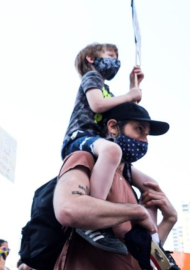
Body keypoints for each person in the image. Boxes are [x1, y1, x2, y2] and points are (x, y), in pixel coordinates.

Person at [61, 42, 161, 254]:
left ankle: (153, 243)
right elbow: (98, 105)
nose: (116, 60)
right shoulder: (92, 77)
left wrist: (133, 87)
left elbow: (121, 110)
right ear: (91, 58)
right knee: (113, 150)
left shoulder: (106, 89)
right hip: (81, 138)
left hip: (99, 144)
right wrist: (129, 95)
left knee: (150, 184)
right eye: (110, 55)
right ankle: (92, 219)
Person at [53, 102, 178, 269]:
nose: (144, 140)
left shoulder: (132, 186)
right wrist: (136, 212)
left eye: (147, 134)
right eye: (139, 129)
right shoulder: (86, 159)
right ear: (112, 126)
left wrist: (169, 220)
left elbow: (145, 255)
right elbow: (68, 209)